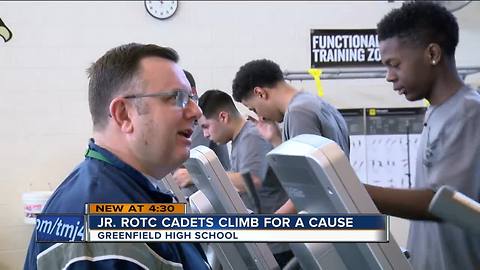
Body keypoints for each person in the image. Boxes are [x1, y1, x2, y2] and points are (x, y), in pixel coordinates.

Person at [24, 43, 210, 270]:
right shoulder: (102, 225)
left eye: (193, 99)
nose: (196, 112)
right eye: (177, 97)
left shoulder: (129, 192)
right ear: (124, 114)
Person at [364, 2, 480, 270]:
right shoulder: (437, 112)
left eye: (394, 64)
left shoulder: (469, 113)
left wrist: (352, 190)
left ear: (432, 54)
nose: (389, 77)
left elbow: (440, 203)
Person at [232, 58, 350, 214]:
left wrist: (268, 226)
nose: (260, 116)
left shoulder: (298, 113)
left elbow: (309, 189)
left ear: (260, 93)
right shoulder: (318, 104)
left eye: (254, 109)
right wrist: (275, 139)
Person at [197, 89, 292, 267]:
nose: (205, 135)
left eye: (206, 126)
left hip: (277, 245)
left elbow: (252, 181)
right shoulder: (240, 139)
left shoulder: (251, 137)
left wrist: (204, 176)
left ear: (223, 117)